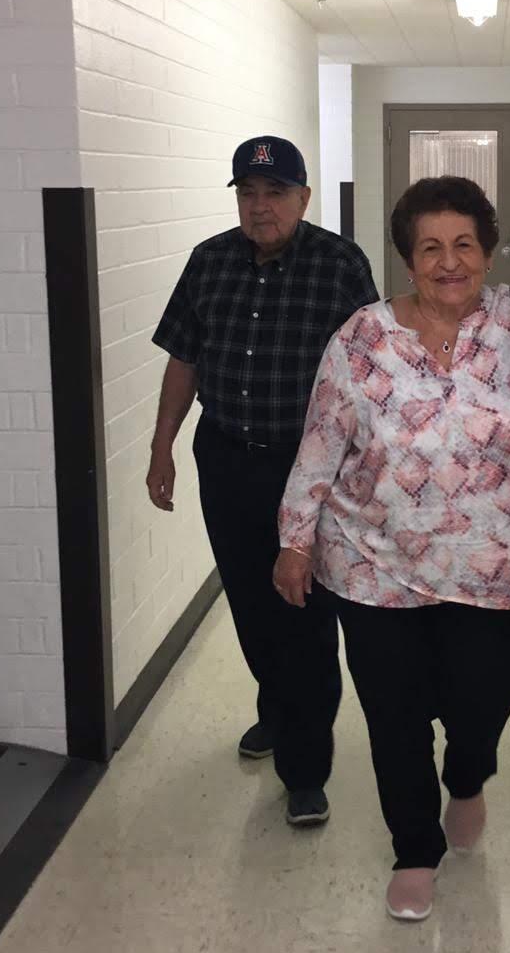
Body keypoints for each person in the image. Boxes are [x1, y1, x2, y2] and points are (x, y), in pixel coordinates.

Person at [273, 177, 510, 923]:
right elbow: (321, 445)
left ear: (487, 252)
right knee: (394, 714)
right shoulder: (361, 338)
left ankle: (470, 774)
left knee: (488, 697)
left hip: (487, 564)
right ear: (407, 259)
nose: (448, 261)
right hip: (372, 562)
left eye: (463, 244)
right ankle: (414, 849)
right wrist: (295, 540)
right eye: (430, 247)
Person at [147, 135, 377, 828]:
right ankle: (277, 709)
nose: (259, 206)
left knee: (303, 615)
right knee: (250, 605)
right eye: (247, 193)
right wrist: (162, 448)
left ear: (303, 198)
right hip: (226, 459)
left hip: (307, 471)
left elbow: (367, 371)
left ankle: (306, 769)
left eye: (275, 193)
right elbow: (183, 360)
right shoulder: (209, 262)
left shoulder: (339, 266)